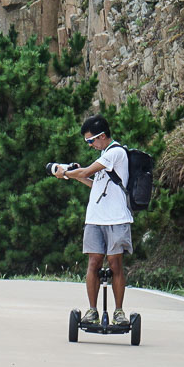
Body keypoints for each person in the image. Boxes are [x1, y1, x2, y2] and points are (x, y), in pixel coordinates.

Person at [55, 115, 133, 325]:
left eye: (91, 141)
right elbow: (93, 182)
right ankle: (92, 311)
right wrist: (75, 174)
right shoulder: (103, 155)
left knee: (115, 263)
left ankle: (118, 311)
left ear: (102, 136)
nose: (90, 145)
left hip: (116, 218)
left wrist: (65, 173)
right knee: (93, 262)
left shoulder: (115, 152)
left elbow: (88, 170)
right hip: (95, 219)